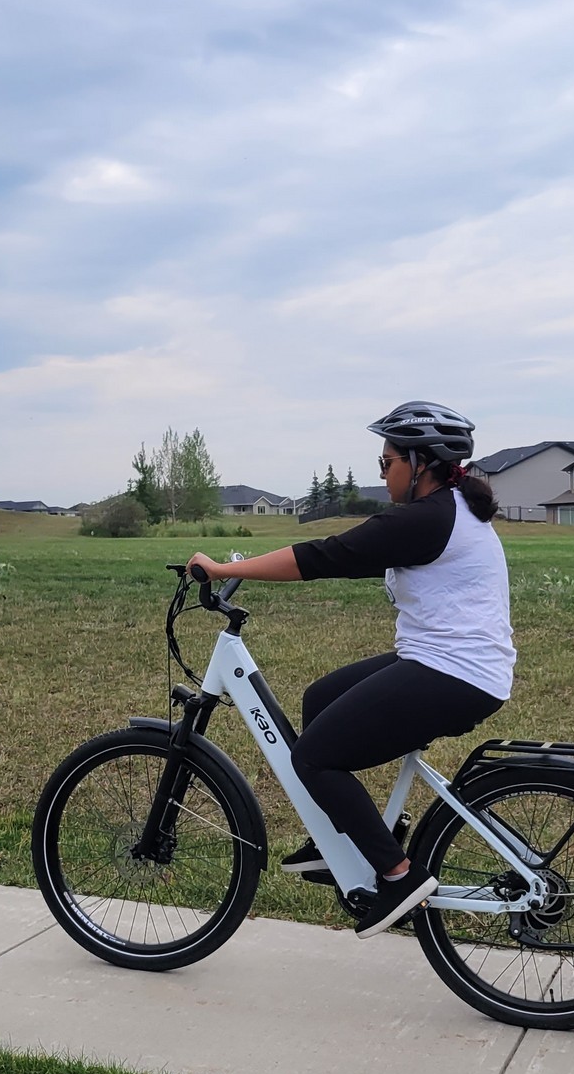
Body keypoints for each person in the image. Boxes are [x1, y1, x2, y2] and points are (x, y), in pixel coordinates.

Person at [187, 401, 514, 938]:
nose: (382, 473)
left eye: (387, 462)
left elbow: (325, 556)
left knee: (313, 758)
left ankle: (399, 877)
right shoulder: (447, 509)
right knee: (320, 699)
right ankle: (340, 838)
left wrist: (226, 568)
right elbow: (344, 555)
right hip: (451, 663)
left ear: (420, 463)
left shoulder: (427, 518)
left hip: (455, 674)